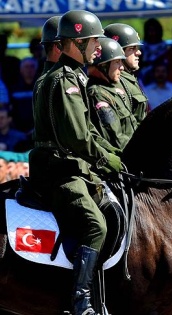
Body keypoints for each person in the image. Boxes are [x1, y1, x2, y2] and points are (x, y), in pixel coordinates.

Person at [29, 10, 122, 315]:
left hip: (70, 166)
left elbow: (89, 133)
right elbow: (78, 138)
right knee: (95, 226)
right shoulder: (64, 80)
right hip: (59, 171)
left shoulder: (72, 77)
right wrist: (109, 160)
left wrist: (115, 155)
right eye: (93, 41)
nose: (99, 47)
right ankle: (81, 302)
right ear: (74, 44)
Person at [87, 37, 137, 150]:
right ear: (103, 65)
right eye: (117, 62)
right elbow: (115, 138)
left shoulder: (109, 90)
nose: (122, 68)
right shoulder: (97, 94)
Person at [103, 23, 148, 124]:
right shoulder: (115, 82)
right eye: (132, 49)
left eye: (137, 48)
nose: (138, 53)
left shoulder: (128, 79)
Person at [10, 57, 38, 134]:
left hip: (39, 129)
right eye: (26, 67)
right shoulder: (13, 88)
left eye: (32, 66)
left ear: (36, 69)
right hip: (17, 130)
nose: (29, 69)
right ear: (21, 70)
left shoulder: (42, 87)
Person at [139, 18, 167, 85]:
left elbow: (164, 60)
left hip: (159, 70)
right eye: (150, 30)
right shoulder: (143, 45)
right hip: (145, 71)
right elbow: (140, 61)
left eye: (154, 30)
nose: (152, 33)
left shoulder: (163, 45)